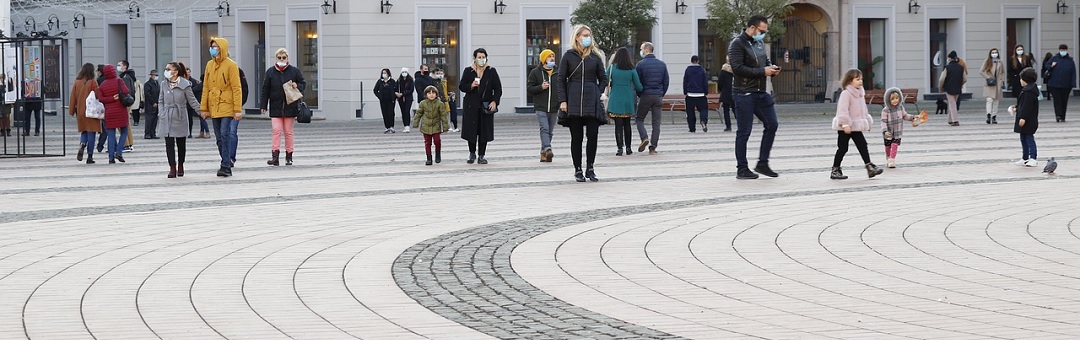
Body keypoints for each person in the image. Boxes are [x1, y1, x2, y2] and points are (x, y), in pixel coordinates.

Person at [728, 15, 781, 179]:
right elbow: (737, 68)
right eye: (761, 31)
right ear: (752, 28)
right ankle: (742, 169)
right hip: (743, 93)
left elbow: (764, 61)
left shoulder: (759, 43)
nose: (763, 34)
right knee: (744, 131)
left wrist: (771, 68)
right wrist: (762, 72)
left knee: (772, 124)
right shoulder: (737, 44)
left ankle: (762, 164)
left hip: (760, 92)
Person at [557, 24, 608, 181]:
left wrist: (597, 91)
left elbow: (603, 78)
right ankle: (577, 169)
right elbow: (560, 79)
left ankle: (590, 167)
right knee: (576, 137)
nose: (587, 38)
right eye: (584, 35)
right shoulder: (568, 56)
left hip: (591, 100)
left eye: (589, 35)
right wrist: (563, 100)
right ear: (577, 37)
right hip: (573, 100)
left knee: (593, 135)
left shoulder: (595, 56)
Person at [200, 37, 244, 177]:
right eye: (212, 46)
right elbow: (206, 87)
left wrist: (237, 110)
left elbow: (237, 88)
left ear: (222, 48)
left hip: (227, 105)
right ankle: (225, 159)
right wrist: (204, 108)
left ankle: (225, 165)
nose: (213, 49)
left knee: (225, 134)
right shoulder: (209, 65)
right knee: (219, 137)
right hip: (214, 106)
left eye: (215, 46)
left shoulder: (231, 65)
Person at [831, 69, 883, 180]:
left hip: (856, 126)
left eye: (861, 79)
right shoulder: (846, 93)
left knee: (863, 146)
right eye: (857, 79)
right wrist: (845, 124)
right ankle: (835, 170)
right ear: (850, 81)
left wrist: (867, 122)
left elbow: (863, 110)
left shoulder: (859, 94)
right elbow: (842, 110)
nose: (860, 81)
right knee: (843, 148)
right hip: (845, 127)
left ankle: (869, 167)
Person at [260, 48, 306, 166]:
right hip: (275, 106)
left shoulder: (294, 71)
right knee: (276, 131)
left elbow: (303, 83)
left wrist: (298, 85)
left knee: (288, 132)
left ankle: (289, 156)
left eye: (284, 58)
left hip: (290, 106)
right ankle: (275, 157)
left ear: (287, 58)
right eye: (279, 58)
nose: (281, 60)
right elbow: (265, 89)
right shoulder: (270, 72)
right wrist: (263, 105)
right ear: (276, 58)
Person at [458, 47, 502, 164]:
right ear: (475, 58)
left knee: (484, 131)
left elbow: (497, 89)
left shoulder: (491, 71)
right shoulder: (468, 71)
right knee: (471, 131)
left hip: (485, 106)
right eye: (479, 57)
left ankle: (481, 155)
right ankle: (472, 153)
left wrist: (494, 101)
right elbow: (461, 86)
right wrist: (471, 85)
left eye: (483, 57)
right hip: (471, 106)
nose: (481, 59)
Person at [159, 61, 201, 178]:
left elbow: (192, 100)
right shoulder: (163, 83)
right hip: (167, 116)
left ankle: (181, 165)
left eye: (168, 69)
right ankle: (172, 167)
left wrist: (201, 112)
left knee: (181, 144)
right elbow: (160, 100)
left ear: (176, 72)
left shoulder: (185, 84)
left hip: (180, 115)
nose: (166, 71)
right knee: (169, 143)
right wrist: (161, 113)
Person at [606, 47, 643, 156]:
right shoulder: (631, 69)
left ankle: (619, 148)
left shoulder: (612, 67)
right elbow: (639, 86)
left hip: (615, 97)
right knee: (627, 124)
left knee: (618, 124)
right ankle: (628, 148)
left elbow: (605, 79)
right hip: (627, 97)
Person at [635, 42, 669, 155]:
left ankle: (644, 137)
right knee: (656, 123)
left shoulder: (640, 65)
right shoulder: (662, 64)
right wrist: (661, 93)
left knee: (639, 118)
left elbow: (637, 82)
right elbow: (666, 82)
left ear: (645, 50)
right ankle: (653, 147)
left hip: (645, 95)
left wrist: (640, 94)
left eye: (641, 49)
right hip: (658, 96)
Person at [528, 48, 560, 162]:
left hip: (554, 106)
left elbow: (562, 88)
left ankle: (544, 153)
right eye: (549, 57)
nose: (552, 59)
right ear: (543, 59)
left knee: (550, 131)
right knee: (544, 128)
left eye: (553, 57)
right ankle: (547, 148)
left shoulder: (558, 72)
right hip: (541, 106)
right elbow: (529, 88)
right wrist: (540, 87)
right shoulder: (535, 72)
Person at [96, 64, 131, 164]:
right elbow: (126, 91)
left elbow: (101, 98)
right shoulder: (119, 81)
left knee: (111, 135)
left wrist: (110, 99)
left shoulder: (103, 85)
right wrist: (117, 97)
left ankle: (111, 157)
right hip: (121, 110)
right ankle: (119, 151)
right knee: (124, 131)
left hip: (109, 112)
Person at [69, 63, 101, 164]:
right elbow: (98, 95)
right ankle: (90, 156)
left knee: (84, 131)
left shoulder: (77, 82)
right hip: (91, 112)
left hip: (80, 111)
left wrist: (72, 111)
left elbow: (72, 97)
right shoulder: (93, 82)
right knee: (91, 132)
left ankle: (82, 144)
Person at [412, 85, 450, 165]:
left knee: (437, 141)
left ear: (436, 94)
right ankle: (429, 158)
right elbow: (419, 113)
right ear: (426, 95)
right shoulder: (423, 103)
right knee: (427, 143)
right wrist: (415, 123)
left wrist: (445, 127)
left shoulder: (440, 104)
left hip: (436, 125)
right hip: (426, 126)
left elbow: (443, 115)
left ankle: (438, 154)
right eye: (429, 93)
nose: (431, 94)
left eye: (433, 93)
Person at [880, 88, 917, 168]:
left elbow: (905, 116)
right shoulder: (885, 110)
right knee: (888, 147)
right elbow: (883, 121)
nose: (895, 101)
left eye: (897, 98)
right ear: (888, 100)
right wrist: (885, 131)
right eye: (892, 99)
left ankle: (892, 159)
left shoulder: (900, 108)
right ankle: (888, 158)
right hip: (888, 133)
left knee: (894, 145)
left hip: (897, 132)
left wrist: (912, 118)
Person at [1010, 68, 1040, 167]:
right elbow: (1023, 105)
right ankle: (1025, 157)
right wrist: (1017, 108)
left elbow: (1027, 107)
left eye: (1021, 79)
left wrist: (1022, 117)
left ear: (1025, 80)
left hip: (1028, 120)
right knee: (1023, 138)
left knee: (1029, 138)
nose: (1020, 81)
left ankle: (1033, 157)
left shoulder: (1029, 92)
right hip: (1025, 118)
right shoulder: (1027, 90)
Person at [1044, 44, 1075, 122]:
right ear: (1059, 50)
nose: (1062, 51)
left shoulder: (1070, 60)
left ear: (1066, 50)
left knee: (1064, 100)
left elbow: (1073, 73)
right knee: (1057, 100)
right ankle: (1058, 115)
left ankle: (1063, 116)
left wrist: (1073, 83)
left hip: (1066, 85)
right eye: (1061, 50)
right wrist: (1051, 66)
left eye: (1064, 50)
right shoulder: (1054, 58)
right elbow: (1046, 65)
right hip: (1054, 84)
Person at [938, 51, 965, 126]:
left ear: (949, 58)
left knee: (952, 104)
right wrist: (961, 84)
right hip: (958, 88)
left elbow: (941, 79)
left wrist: (941, 88)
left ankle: (955, 120)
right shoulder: (961, 67)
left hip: (949, 88)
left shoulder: (947, 68)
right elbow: (964, 78)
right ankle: (950, 120)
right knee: (953, 104)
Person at [684, 55, 709, 133]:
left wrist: (685, 92)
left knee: (690, 112)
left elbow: (685, 82)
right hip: (701, 94)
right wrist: (706, 92)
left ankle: (692, 128)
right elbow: (705, 82)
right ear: (698, 61)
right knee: (703, 109)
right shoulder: (702, 70)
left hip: (690, 94)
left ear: (691, 61)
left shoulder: (688, 70)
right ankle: (703, 121)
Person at [183, 66, 210, 139]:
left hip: (197, 103)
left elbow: (192, 91)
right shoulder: (183, 80)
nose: (188, 74)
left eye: (189, 72)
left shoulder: (197, 83)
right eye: (187, 72)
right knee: (192, 118)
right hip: (190, 103)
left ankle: (207, 132)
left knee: (201, 118)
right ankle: (201, 132)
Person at [118, 60, 140, 151]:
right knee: (127, 123)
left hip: (125, 102)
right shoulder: (129, 76)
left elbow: (125, 91)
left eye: (119, 65)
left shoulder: (125, 78)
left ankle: (126, 144)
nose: (118, 67)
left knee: (122, 123)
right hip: (128, 102)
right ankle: (130, 143)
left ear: (124, 66)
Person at [980, 48, 1005, 124]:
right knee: (989, 100)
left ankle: (994, 116)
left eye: (995, 52)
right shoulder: (987, 61)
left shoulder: (1000, 62)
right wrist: (988, 77)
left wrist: (1002, 80)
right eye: (993, 52)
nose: (994, 54)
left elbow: (1003, 72)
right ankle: (988, 115)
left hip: (997, 83)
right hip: (990, 83)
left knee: (996, 101)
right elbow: (981, 71)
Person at [374, 68, 398, 133]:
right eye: (383, 73)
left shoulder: (392, 81)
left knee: (391, 113)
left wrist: (394, 97)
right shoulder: (380, 81)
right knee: (385, 113)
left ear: (388, 74)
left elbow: (396, 90)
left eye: (385, 73)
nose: (384, 74)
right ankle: (386, 127)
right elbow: (375, 90)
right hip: (383, 100)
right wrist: (379, 97)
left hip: (391, 100)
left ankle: (391, 126)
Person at [143, 69, 161, 139]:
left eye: (157, 75)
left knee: (155, 120)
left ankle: (153, 133)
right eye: (155, 75)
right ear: (151, 75)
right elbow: (147, 94)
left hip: (157, 104)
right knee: (149, 120)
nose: (156, 76)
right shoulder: (148, 84)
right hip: (150, 105)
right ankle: (147, 133)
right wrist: (153, 102)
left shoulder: (157, 84)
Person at [396, 67, 414, 133]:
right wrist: (396, 93)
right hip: (400, 99)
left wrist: (403, 93)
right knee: (403, 112)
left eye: (405, 72)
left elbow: (411, 90)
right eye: (403, 72)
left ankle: (407, 126)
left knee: (407, 111)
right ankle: (405, 125)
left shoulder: (410, 80)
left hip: (408, 98)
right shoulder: (399, 81)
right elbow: (396, 88)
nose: (404, 73)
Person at [719, 58, 734, 132]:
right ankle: (741, 125)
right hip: (735, 92)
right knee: (736, 110)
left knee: (726, 111)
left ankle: (728, 126)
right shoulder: (737, 69)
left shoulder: (723, 70)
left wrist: (720, 90)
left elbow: (720, 82)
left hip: (726, 93)